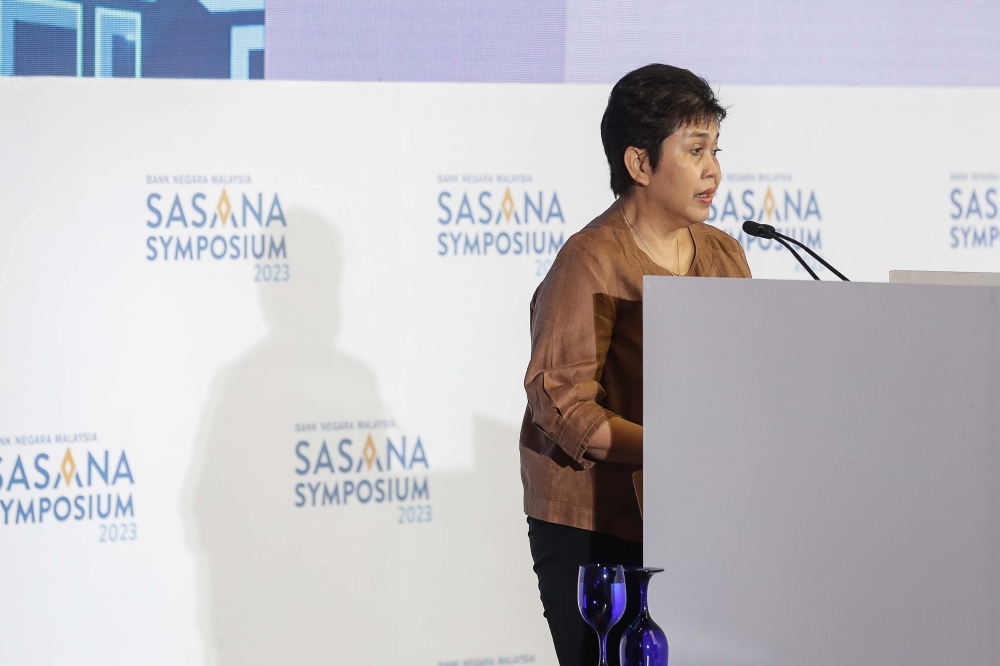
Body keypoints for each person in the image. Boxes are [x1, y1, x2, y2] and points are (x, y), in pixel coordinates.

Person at [520, 64, 752, 665]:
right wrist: (677, 448)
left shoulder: (725, 253)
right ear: (641, 164)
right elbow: (563, 407)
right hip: (597, 527)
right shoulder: (589, 262)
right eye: (695, 150)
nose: (713, 171)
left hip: (695, 516)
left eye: (715, 150)